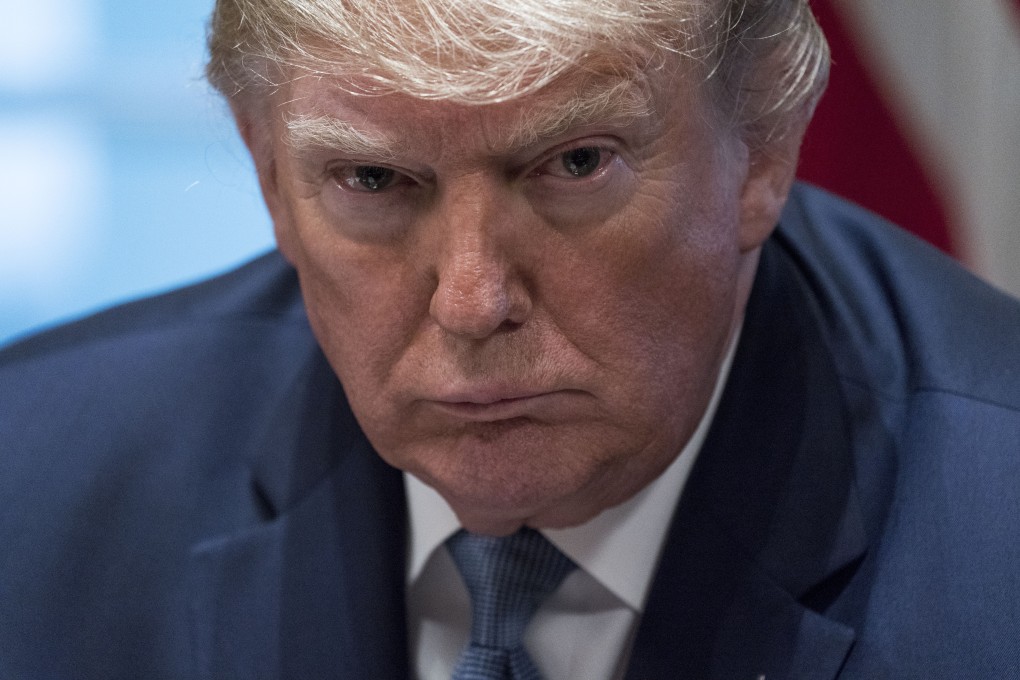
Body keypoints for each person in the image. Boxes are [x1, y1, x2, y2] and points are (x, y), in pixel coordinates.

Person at [1, 0, 1018, 678]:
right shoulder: (33, 483)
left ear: (763, 150)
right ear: (268, 174)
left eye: (575, 163)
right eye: (373, 181)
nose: (473, 300)